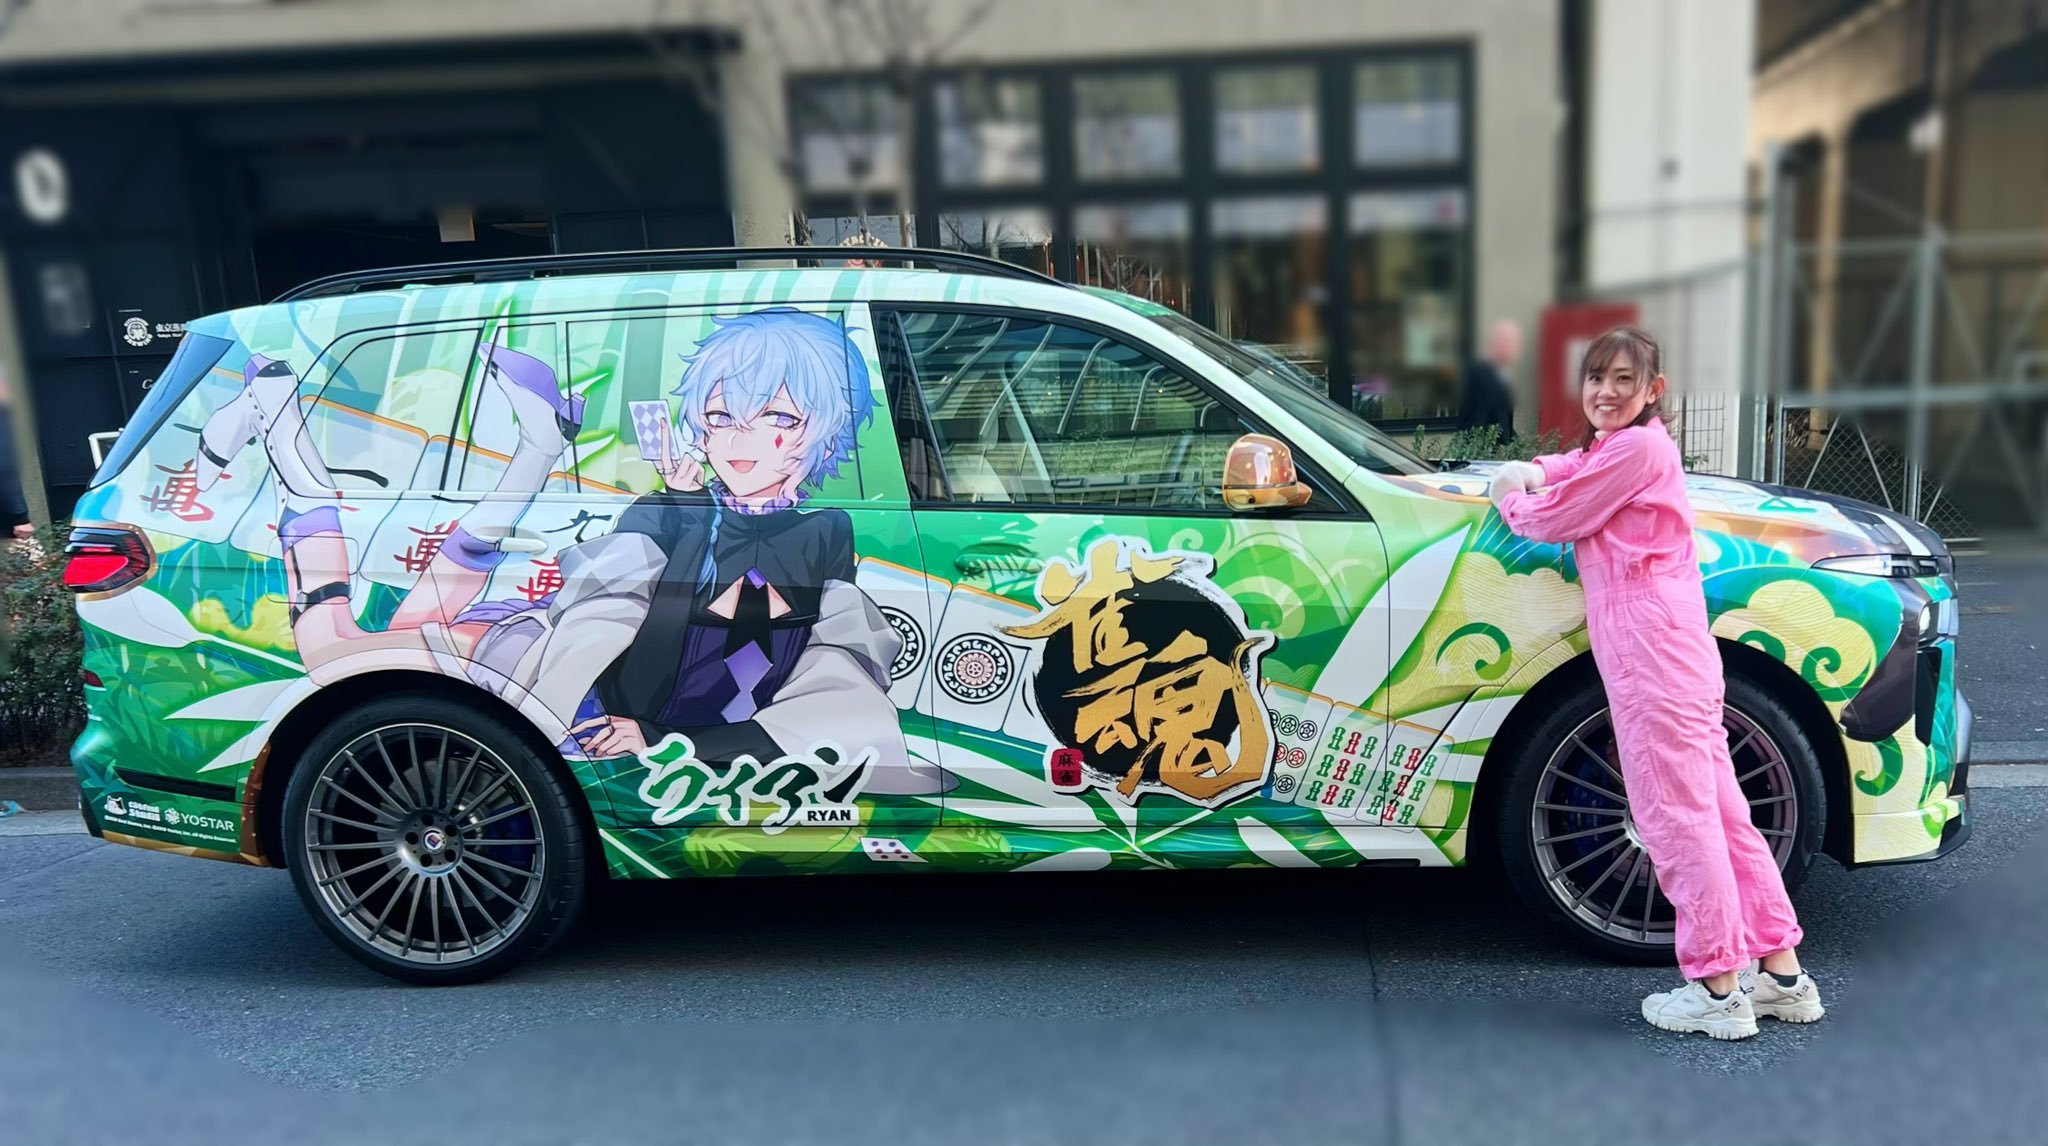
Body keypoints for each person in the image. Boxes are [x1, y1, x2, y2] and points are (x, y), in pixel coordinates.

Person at [1487, 326, 1823, 1041]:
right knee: (1722, 814)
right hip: (1673, 643)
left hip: (1650, 649)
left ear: (1653, 390)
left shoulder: (1637, 449)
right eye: (1596, 378)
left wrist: (1509, 494)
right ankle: (1782, 976)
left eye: (1623, 380)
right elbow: (1580, 465)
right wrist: (1537, 467)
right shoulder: (1631, 446)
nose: (1606, 392)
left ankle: (1718, 987)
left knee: (1676, 816)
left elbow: (1560, 515)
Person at [1457, 319, 1521, 447]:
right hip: (1484, 452)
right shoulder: (1480, 375)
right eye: (1512, 343)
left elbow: (1504, 422)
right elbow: (1477, 423)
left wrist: (1516, 446)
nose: (1516, 349)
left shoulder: (1500, 373)